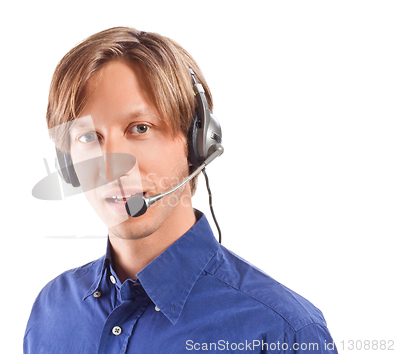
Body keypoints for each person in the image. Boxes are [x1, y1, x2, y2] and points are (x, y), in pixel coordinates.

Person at [24, 27, 338, 353]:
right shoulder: (52, 310)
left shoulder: (282, 331)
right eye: (88, 137)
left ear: (195, 144)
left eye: (140, 128)